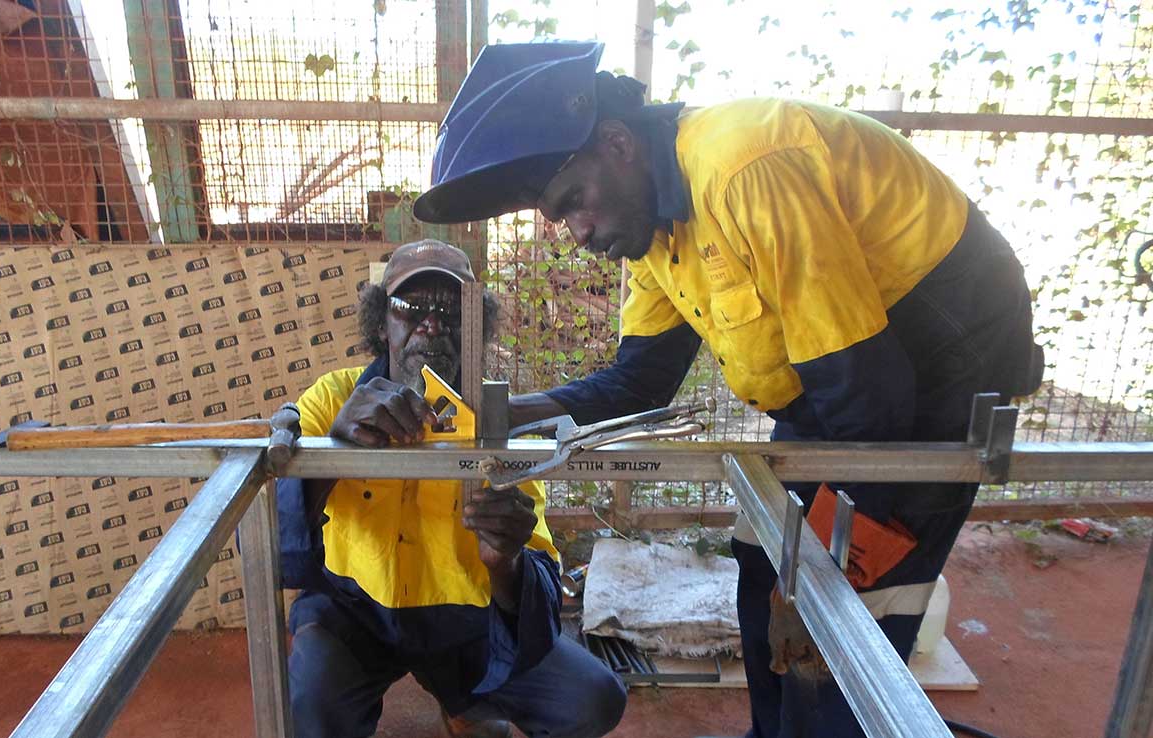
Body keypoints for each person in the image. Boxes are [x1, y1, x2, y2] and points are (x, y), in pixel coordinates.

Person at [413, 42, 1044, 738]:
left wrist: (830, 569)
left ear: (618, 144)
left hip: (936, 371)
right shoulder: (654, 226)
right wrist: (502, 417)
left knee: (843, 623)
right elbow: (639, 380)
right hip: (844, 382)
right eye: (560, 219)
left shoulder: (743, 166)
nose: (578, 231)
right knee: (761, 557)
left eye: (573, 203)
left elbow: (873, 400)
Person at [276, 239, 627, 738]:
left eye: (452, 310)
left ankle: (465, 701)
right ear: (381, 325)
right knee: (311, 703)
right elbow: (268, 539)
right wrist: (335, 447)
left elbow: (540, 572)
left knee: (591, 699)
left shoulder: (501, 421)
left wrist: (505, 561)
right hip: (355, 611)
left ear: (475, 327)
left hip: (464, 622)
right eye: (409, 307)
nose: (432, 323)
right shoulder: (333, 398)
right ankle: (438, 698)